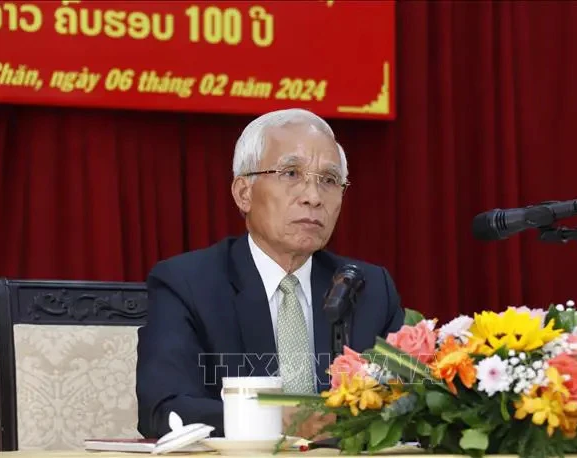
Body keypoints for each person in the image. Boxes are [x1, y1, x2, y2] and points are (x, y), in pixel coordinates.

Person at [136, 108, 405, 438]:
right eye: (291, 174)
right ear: (243, 193)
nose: (313, 197)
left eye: (329, 181)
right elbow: (163, 410)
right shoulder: (187, 284)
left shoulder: (370, 288)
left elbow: (411, 406)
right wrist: (277, 419)